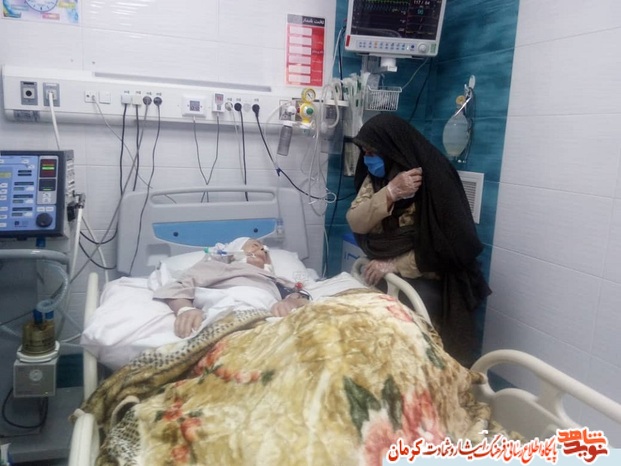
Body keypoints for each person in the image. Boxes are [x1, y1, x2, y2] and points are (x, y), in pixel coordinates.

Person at [346, 113, 491, 367]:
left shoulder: (435, 180)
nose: (367, 159)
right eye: (364, 152)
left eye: (372, 152)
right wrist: (390, 193)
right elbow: (356, 221)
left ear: (391, 150)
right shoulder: (378, 179)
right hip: (394, 278)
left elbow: (448, 246)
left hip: (431, 278)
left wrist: (393, 264)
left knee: (409, 351)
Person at [153, 237, 311, 338]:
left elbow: (300, 296)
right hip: (222, 314)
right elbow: (178, 288)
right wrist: (185, 309)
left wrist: (290, 302)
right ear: (235, 252)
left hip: (266, 318)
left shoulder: (274, 280)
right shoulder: (215, 267)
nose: (262, 250)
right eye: (255, 246)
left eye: (265, 251)